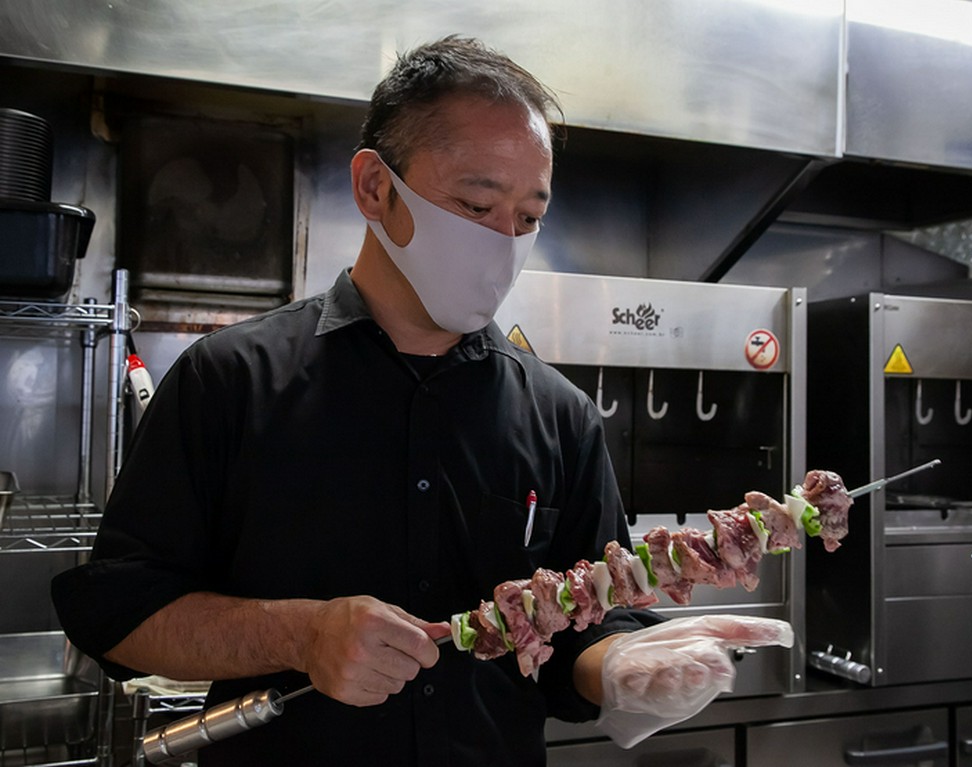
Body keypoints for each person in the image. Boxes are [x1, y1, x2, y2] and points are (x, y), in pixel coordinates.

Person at [51, 36, 790, 765]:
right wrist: (300, 635)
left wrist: (628, 664)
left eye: (528, 218)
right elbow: (120, 613)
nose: (504, 241)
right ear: (375, 187)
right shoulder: (231, 382)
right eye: (476, 204)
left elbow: (579, 636)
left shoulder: (559, 414)